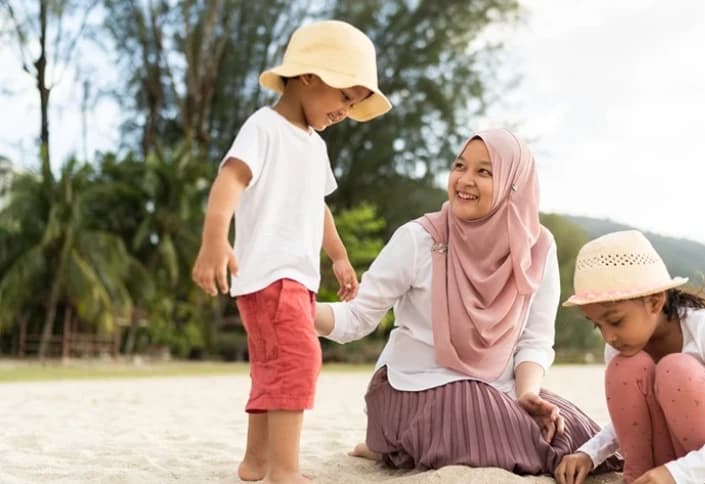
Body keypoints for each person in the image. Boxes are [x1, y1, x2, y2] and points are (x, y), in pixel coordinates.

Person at [314, 128, 621, 479]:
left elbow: (534, 340)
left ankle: (399, 445)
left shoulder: (538, 248)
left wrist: (527, 394)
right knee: (485, 427)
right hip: (414, 385)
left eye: (484, 171)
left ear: (513, 183)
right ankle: (389, 439)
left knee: (573, 436)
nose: (464, 179)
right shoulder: (420, 238)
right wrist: (296, 308)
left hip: (499, 389)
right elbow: (357, 317)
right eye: (460, 166)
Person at [191, 20, 391, 484]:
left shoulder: (314, 146)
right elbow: (231, 178)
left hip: (292, 281)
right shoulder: (264, 127)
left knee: (272, 369)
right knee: (298, 363)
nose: (347, 109)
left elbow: (316, 205)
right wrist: (214, 238)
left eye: (355, 102)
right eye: (345, 95)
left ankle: (256, 462)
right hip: (272, 276)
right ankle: (284, 471)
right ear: (309, 76)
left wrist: (339, 255)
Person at [554, 230, 705, 484]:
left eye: (615, 321)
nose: (608, 337)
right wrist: (588, 454)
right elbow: (632, 420)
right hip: (661, 470)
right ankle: (635, 479)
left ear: (655, 302)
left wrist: (678, 474)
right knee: (624, 368)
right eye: (597, 326)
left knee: (675, 370)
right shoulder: (619, 345)